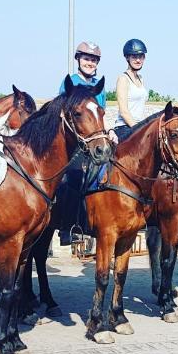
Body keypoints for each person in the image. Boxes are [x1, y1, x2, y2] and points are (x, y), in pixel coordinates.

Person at [55, 41, 112, 248]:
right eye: (87, 58)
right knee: (75, 175)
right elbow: (63, 112)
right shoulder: (70, 82)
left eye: (94, 60)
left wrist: (110, 132)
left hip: (95, 138)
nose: (90, 63)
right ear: (78, 59)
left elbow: (101, 114)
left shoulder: (99, 86)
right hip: (75, 141)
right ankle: (68, 226)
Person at [114, 39, 149, 143]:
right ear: (127, 57)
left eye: (141, 56)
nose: (138, 60)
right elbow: (124, 112)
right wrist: (140, 131)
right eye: (134, 56)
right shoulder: (123, 79)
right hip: (125, 128)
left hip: (138, 126)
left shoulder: (141, 78)